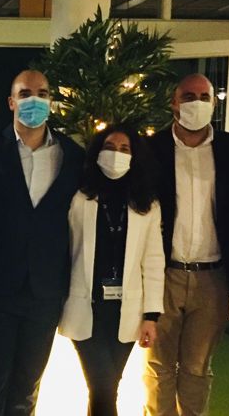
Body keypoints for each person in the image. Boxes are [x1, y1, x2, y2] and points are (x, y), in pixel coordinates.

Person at [0, 69, 86, 416]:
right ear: (11, 102)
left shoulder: (72, 155)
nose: (34, 100)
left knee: (26, 387)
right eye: (25, 93)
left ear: (51, 101)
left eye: (42, 93)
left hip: (45, 292)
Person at [145, 74, 229, 416]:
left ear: (214, 103)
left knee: (197, 368)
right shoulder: (151, 150)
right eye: (188, 96)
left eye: (205, 97)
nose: (197, 103)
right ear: (174, 103)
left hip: (212, 278)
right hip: (164, 275)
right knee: (157, 367)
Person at [58, 126, 165, 416]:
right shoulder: (79, 198)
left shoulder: (147, 205)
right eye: (109, 147)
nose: (116, 154)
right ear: (97, 153)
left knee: (107, 387)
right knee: (103, 385)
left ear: (134, 156)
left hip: (127, 311)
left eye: (124, 149)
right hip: (86, 306)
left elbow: (153, 261)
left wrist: (152, 316)